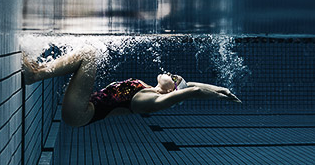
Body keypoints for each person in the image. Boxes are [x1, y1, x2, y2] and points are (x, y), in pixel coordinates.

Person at [22, 45, 241, 127]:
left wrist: (218, 97)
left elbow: (189, 91)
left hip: (80, 113)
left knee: (89, 54)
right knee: (87, 54)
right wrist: (221, 89)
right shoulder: (149, 88)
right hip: (83, 106)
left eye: (173, 77)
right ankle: (39, 69)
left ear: (170, 90)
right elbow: (190, 86)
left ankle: (35, 75)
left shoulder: (151, 101)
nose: (169, 73)